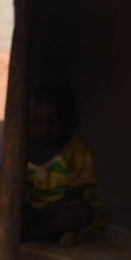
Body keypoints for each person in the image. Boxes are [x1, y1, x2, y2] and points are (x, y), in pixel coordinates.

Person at [22, 80, 106, 247]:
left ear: (68, 122)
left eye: (54, 123)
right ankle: (55, 234)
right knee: (7, 210)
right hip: (37, 208)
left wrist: (41, 214)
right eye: (36, 123)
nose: (45, 129)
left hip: (65, 207)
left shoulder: (76, 151)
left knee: (80, 215)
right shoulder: (24, 149)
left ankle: (30, 234)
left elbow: (74, 195)